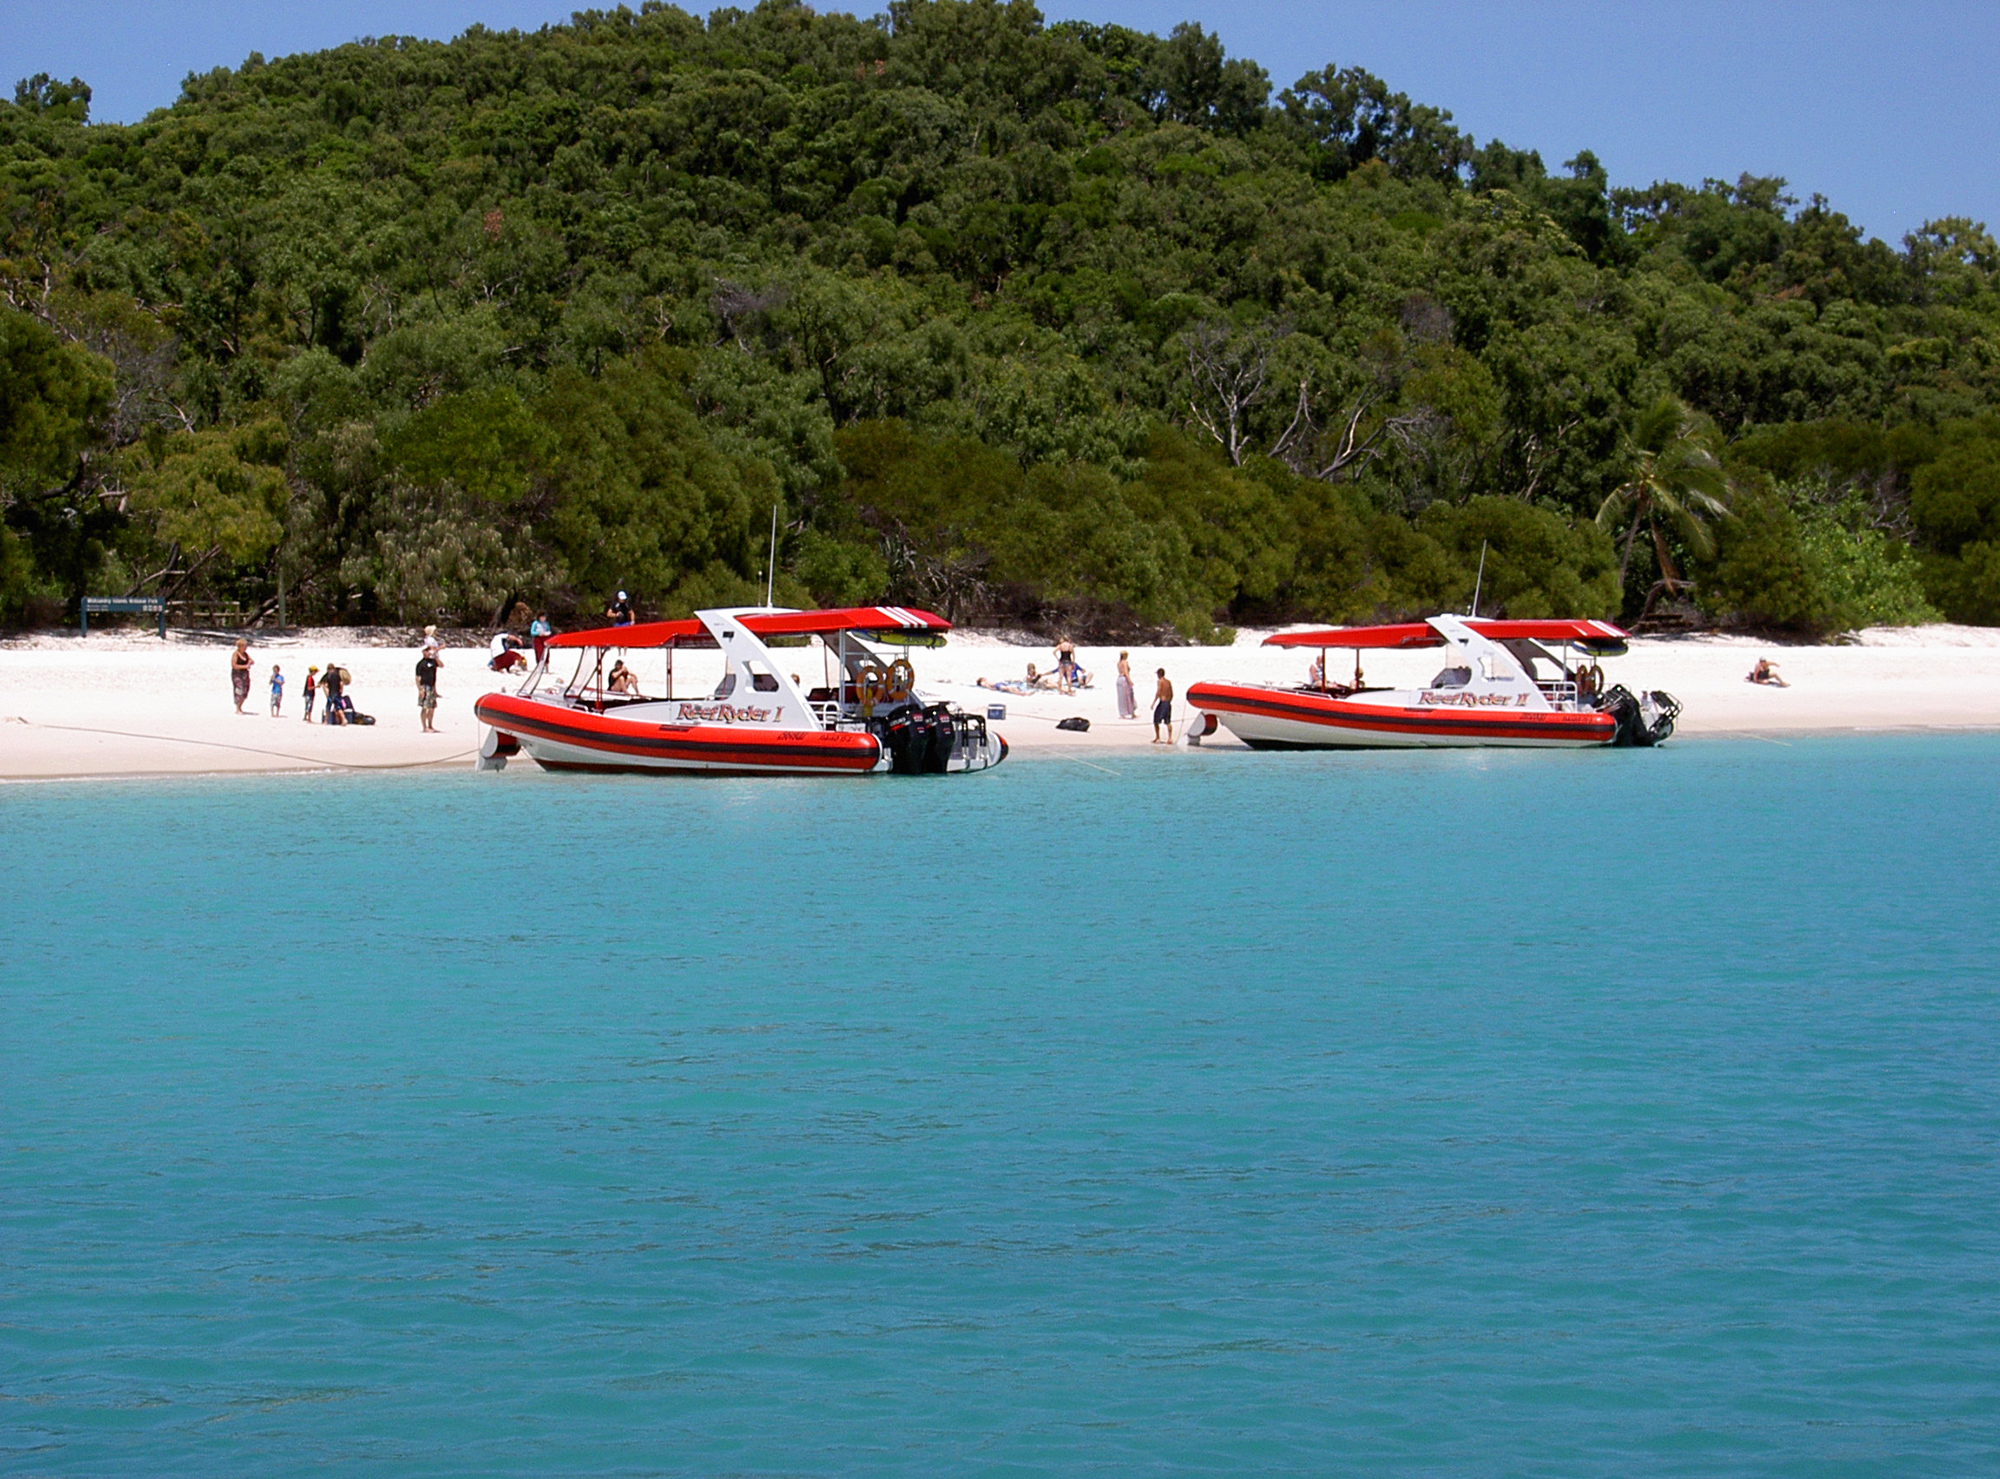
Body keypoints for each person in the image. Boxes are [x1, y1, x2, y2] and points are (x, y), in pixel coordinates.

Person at [415, 648, 440, 732]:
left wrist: (436, 657)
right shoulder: (421, 664)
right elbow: (417, 678)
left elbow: (441, 665)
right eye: (427, 651)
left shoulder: (432, 662)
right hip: (425, 686)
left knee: (432, 707)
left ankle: (430, 725)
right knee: (425, 707)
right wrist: (420, 689)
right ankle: (424, 727)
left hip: (432, 686)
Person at [230, 639, 253, 714]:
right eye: (244, 646)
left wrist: (250, 662)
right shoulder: (236, 654)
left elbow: (251, 661)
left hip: (245, 675)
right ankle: (237, 708)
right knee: (239, 690)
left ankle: (240, 706)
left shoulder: (245, 654)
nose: (246, 647)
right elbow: (234, 665)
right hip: (237, 674)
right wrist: (245, 666)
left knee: (246, 690)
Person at [1152, 667, 1174, 744]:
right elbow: (1171, 693)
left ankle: (1158, 737)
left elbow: (1158, 691)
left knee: (1156, 720)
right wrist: (1169, 701)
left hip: (1162, 702)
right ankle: (1170, 738)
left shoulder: (1159, 681)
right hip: (1168, 702)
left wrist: (1153, 703)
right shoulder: (1168, 682)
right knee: (1168, 721)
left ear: (1159, 674)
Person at [1115, 651, 1136, 719]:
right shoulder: (1124, 662)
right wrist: (1130, 681)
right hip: (1124, 679)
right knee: (1129, 695)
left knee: (1121, 697)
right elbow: (1126, 672)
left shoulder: (1119, 663)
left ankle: (1122, 713)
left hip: (1119, 679)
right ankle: (1132, 713)